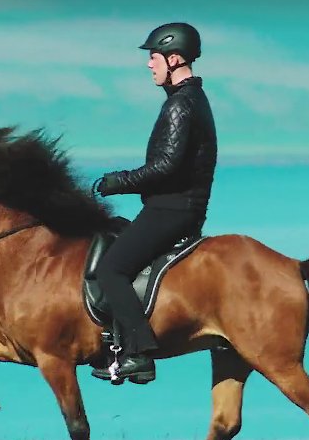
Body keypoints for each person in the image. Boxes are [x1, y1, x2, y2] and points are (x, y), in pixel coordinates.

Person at [92, 22, 218, 383]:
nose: (150, 64)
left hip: (172, 209)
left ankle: (140, 353)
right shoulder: (191, 100)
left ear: (174, 58)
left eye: (154, 56)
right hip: (178, 206)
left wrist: (118, 182)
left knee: (111, 269)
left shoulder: (181, 105)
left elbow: (165, 166)